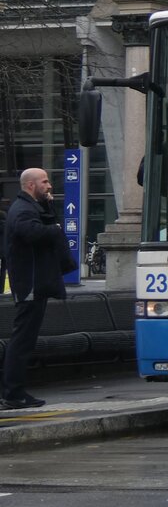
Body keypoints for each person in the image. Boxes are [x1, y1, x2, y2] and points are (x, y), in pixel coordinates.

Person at [2, 168, 75, 410]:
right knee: (22, 340)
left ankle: (15, 392)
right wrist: (55, 229)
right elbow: (33, 233)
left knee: (25, 339)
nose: (49, 185)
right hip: (30, 284)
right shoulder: (23, 210)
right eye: (44, 182)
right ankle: (13, 393)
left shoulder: (31, 207)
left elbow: (44, 224)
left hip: (35, 284)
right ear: (31, 185)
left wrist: (50, 212)